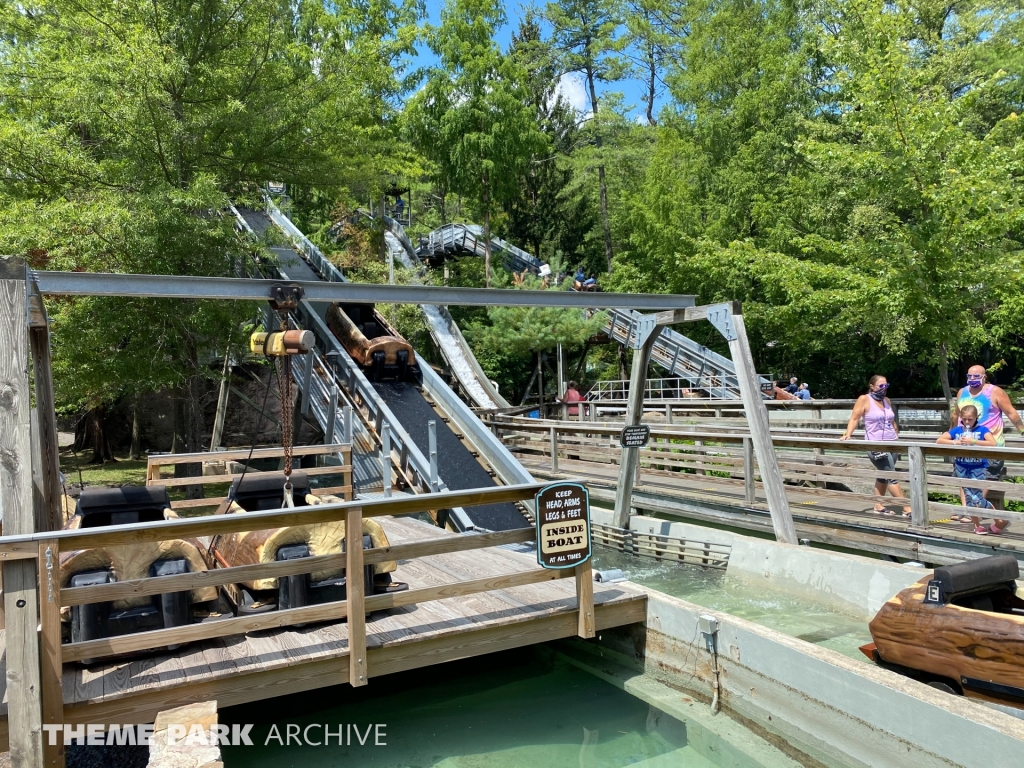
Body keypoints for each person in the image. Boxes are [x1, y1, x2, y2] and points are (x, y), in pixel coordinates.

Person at [952, 365, 1024, 532]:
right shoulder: (962, 392)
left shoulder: (995, 391)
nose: (973, 378)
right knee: (962, 478)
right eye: (970, 375)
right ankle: (966, 511)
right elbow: (956, 415)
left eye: (977, 375)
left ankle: (974, 513)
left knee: (982, 481)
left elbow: (1011, 413)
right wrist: (951, 434)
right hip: (964, 445)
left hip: (988, 445)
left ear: (984, 376)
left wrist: (1022, 430)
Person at [840, 375, 910, 516]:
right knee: (890, 475)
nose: (884, 389)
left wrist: (897, 435)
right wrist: (848, 434)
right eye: (881, 386)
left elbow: (891, 421)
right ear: (872, 386)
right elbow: (855, 418)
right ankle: (907, 508)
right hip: (875, 443)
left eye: (886, 386)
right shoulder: (864, 399)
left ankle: (878, 505)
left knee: (883, 475)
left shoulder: (887, 400)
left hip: (892, 443)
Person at [936, 404, 999, 535]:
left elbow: (993, 443)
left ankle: (999, 520)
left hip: (978, 467)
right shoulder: (958, 430)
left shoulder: (982, 430)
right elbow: (940, 440)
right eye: (964, 419)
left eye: (970, 419)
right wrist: (955, 442)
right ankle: (977, 525)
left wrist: (974, 442)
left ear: (976, 417)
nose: (967, 422)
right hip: (962, 467)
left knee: (978, 498)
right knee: (969, 498)